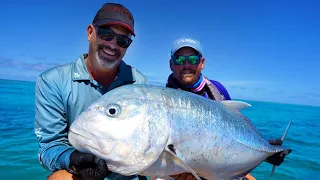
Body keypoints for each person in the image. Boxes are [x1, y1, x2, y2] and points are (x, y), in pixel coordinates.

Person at [34, 3, 149, 180]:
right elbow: (49, 147)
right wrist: (73, 159)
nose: (113, 45)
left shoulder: (139, 83)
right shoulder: (53, 81)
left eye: (122, 41)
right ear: (90, 32)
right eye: (106, 34)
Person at [166, 37, 292, 180]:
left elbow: (234, 135)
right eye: (180, 60)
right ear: (171, 64)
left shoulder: (218, 90)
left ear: (202, 63)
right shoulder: (162, 102)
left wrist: (265, 153)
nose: (187, 65)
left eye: (193, 59)